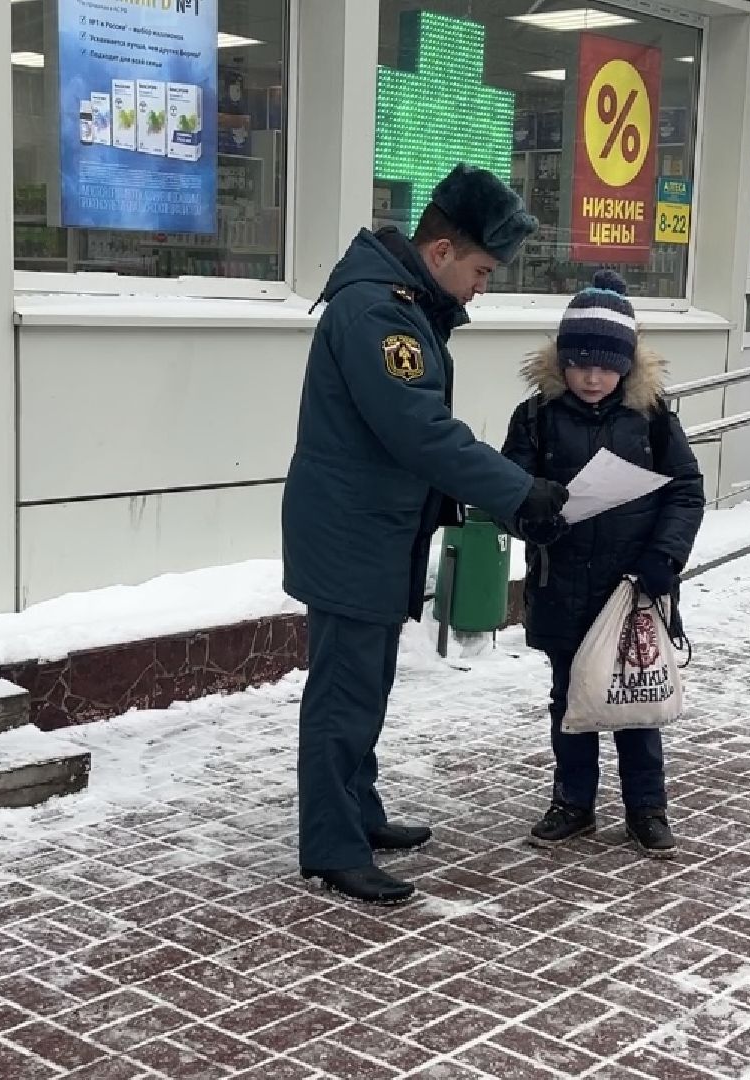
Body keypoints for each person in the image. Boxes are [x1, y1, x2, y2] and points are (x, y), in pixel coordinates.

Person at [282, 164, 570, 906]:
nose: (481, 288)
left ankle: (358, 812)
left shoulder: (401, 303)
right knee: (343, 693)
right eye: (481, 271)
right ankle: (333, 847)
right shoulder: (378, 313)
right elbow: (420, 431)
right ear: (440, 252)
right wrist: (517, 492)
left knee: (365, 684)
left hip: (373, 531)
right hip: (351, 535)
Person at [501, 270, 705, 858]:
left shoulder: (653, 418)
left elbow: (685, 490)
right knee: (571, 701)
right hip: (562, 583)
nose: (592, 377)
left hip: (634, 585)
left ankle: (647, 809)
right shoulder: (535, 418)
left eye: (607, 365)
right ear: (561, 361)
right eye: (580, 364)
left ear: (627, 365)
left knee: (637, 702)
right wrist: (532, 520)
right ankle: (573, 802)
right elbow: (508, 490)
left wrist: (664, 557)